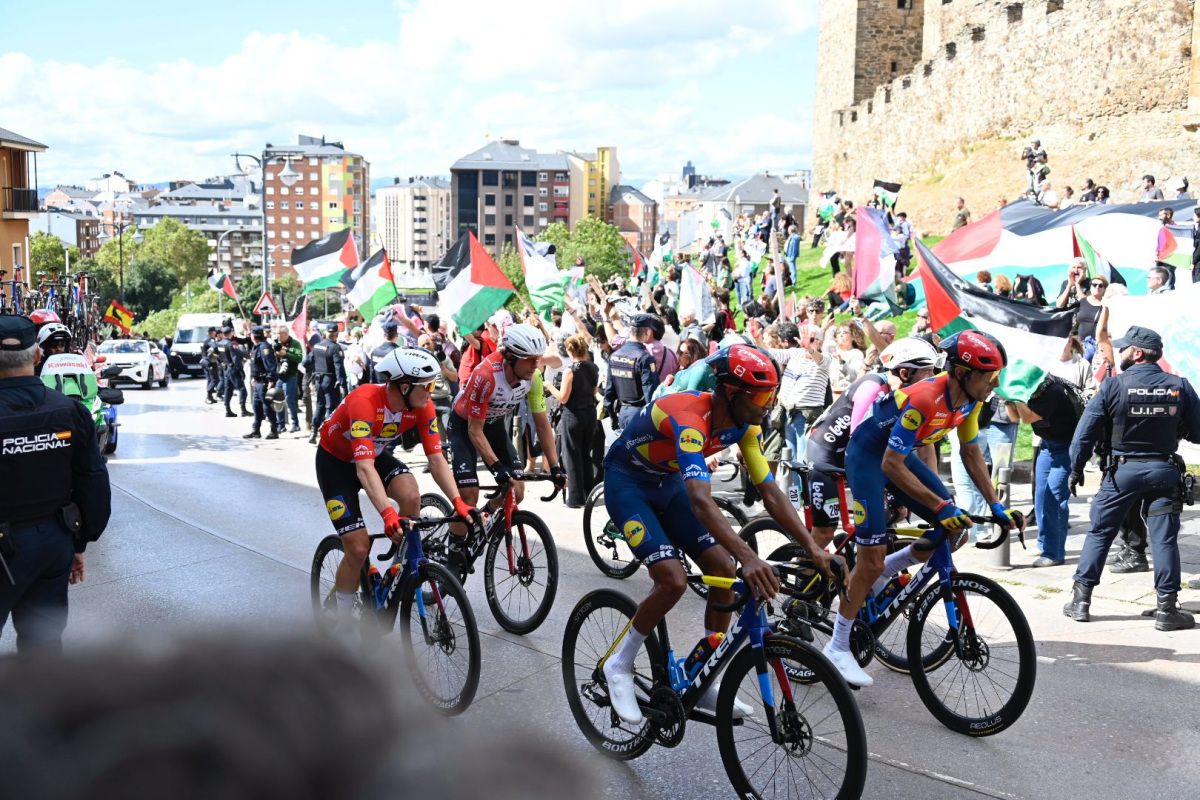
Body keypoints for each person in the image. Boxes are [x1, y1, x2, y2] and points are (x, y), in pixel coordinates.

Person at [600, 345, 831, 725]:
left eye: (772, 396)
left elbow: (771, 492)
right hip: (629, 484)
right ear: (731, 392)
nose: (768, 405)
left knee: (722, 570)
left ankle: (702, 673)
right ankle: (619, 664)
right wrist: (750, 556)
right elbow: (702, 501)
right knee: (672, 580)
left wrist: (812, 548)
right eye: (760, 397)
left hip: (667, 481)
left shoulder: (745, 425)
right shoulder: (690, 418)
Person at [828, 331, 1022, 687]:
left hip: (899, 457)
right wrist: (939, 505)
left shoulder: (971, 400)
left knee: (956, 527)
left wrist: (996, 505)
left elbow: (971, 453)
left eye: (997, 376)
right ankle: (837, 646)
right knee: (872, 557)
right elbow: (889, 465)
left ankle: (886, 568)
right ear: (962, 372)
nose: (995, 384)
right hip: (870, 459)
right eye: (989, 376)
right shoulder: (925, 398)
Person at [316, 348, 474, 624]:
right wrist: (388, 513)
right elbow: (363, 468)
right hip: (337, 464)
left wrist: (459, 502)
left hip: (373, 456)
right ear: (403, 386)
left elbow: (436, 459)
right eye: (426, 386)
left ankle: (393, 574)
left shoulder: (421, 407)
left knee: (412, 497)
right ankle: (340, 620)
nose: (431, 392)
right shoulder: (364, 400)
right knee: (358, 548)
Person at [1063, 326, 1200, 630]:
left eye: (1125, 348)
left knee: (1100, 532)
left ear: (1137, 353)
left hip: (1121, 474)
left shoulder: (1113, 387)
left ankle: (1081, 602)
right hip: (1164, 472)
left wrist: (1075, 469)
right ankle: (1167, 609)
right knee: (1164, 539)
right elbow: (1199, 431)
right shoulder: (1180, 386)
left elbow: (1083, 435)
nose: (1121, 352)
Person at [0, 314, 110, 653]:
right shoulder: (70, 412)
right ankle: (41, 705)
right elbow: (93, 483)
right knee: (43, 647)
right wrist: (78, 543)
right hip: (52, 544)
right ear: (36, 356)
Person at [804, 338, 943, 547]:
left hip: (863, 455)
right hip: (827, 453)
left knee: (892, 517)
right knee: (825, 532)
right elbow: (858, 442)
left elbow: (924, 447)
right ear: (905, 373)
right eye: (928, 371)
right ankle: (806, 572)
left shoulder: (913, 397)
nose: (933, 378)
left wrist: (929, 489)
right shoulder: (873, 388)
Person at [447, 324, 565, 511]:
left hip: (493, 425)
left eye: (538, 359)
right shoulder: (486, 376)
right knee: (469, 497)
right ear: (511, 357)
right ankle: (456, 539)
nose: (536, 365)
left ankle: (486, 516)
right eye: (530, 360)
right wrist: (496, 467)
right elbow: (474, 430)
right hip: (464, 426)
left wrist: (555, 467)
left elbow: (542, 425)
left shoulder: (533, 377)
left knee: (516, 491)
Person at [1015, 374, 1084, 567]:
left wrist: (1015, 397)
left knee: (1054, 498)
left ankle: (1054, 553)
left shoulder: (1052, 392)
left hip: (1067, 447)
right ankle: (1044, 542)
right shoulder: (1031, 391)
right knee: (1040, 496)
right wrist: (1009, 399)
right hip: (1047, 445)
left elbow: (1027, 417)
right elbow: (1015, 417)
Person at [547, 335, 600, 508]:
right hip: (590, 413)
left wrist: (549, 386)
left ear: (570, 350)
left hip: (573, 415)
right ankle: (589, 491)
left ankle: (576, 498)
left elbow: (563, 398)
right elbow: (593, 391)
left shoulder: (570, 371)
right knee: (585, 454)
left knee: (571, 456)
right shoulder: (593, 367)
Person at [604, 314, 660, 430]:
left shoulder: (614, 356)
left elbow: (609, 391)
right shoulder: (645, 358)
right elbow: (651, 392)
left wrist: (613, 418)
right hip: (641, 416)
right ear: (648, 332)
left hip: (622, 413)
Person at [308, 325, 347, 444]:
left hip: (318, 379)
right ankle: (327, 435)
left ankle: (314, 431)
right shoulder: (335, 347)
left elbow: (307, 362)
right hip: (330, 381)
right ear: (336, 334)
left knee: (319, 406)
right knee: (331, 408)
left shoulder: (317, 345)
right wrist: (343, 384)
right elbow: (339, 368)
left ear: (325, 333)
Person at [244, 327, 280, 440]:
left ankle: (274, 430)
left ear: (254, 336)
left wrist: (271, 380)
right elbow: (257, 365)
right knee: (257, 407)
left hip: (264, 383)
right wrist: (254, 377)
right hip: (257, 382)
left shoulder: (264, 347)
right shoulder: (256, 346)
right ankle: (256, 431)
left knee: (267, 408)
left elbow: (270, 365)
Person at [273, 324, 304, 433]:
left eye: (279, 334)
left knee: (290, 400)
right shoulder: (276, 343)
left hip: (290, 375)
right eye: (276, 333)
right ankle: (281, 425)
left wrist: (286, 354)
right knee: (277, 400)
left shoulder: (295, 344)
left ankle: (295, 424)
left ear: (285, 334)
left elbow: (299, 358)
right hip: (279, 376)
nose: (277, 336)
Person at [220, 326, 250, 419]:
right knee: (242, 389)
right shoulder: (231, 344)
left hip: (225, 368)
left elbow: (217, 356)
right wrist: (241, 370)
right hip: (233, 369)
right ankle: (243, 410)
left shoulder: (219, 343)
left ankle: (227, 410)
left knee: (228, 389)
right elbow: (236, 358)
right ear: (231, 333)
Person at [202, 326, 221, 404]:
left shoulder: (207, 340)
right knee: (215, 379)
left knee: (210, 380)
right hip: (209, 362)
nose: (215, 333)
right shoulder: (211, 340)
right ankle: (208, 396)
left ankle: (210, 397)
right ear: (213, 333)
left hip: (206, 361)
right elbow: (215, 347)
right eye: (214, 332)